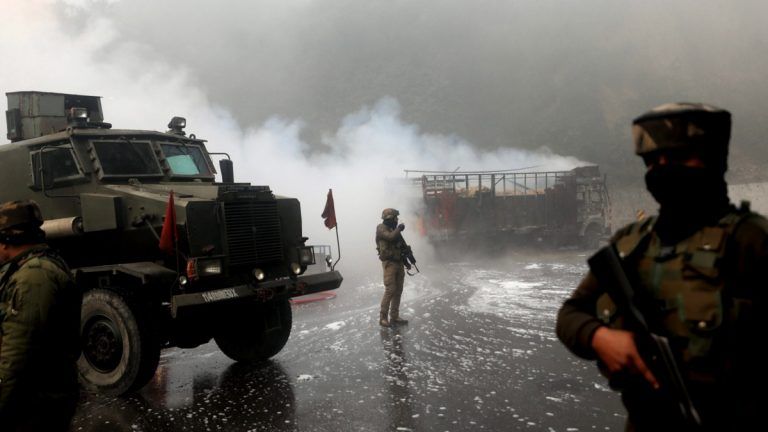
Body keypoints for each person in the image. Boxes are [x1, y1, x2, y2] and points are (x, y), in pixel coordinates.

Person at [556, 103, 763, 430]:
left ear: (713, 161)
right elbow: (570, 314)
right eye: (653, 162)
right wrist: (599, 337)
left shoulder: (751, 242)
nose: (664, 170)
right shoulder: (631, 243)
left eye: (679, 158)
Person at [0, 200, 81, 431]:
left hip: (33, 405)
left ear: (6, 241)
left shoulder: (33, 277)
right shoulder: (32, 268)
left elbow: (16, 359)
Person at [376, 208, 409, 327]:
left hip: (398, 262)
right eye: (396, 218)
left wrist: (407, 261)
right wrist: (399, 229)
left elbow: (401, 247)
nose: (397, 220)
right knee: (390, 290)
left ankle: (394, 316)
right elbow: (390, 237)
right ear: (390, 218)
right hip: (389, 263)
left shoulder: (393, 230)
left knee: (398, 290)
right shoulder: (381, 228)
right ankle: (383, 317)